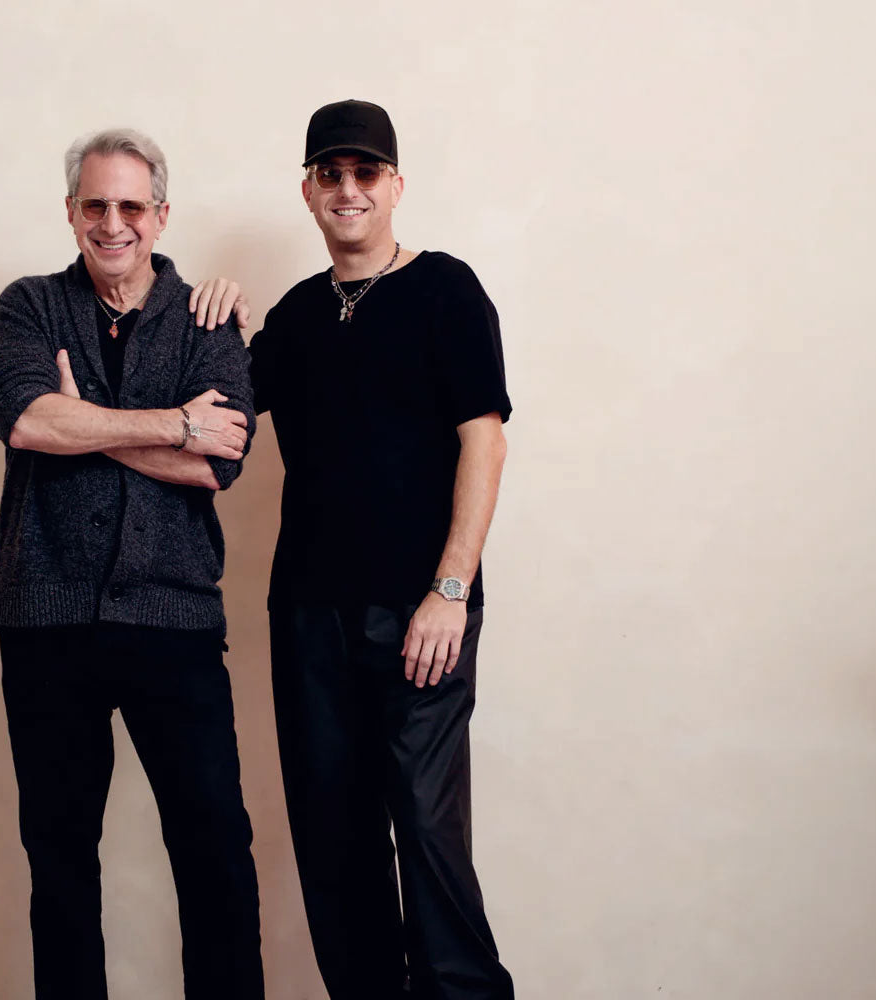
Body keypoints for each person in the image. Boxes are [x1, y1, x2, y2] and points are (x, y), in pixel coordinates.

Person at [218, 98, 516, 999]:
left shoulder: (446, 289)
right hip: (308, 612)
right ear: (308, 190)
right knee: (332, 836)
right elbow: (219, 418)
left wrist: (451, 589)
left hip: (420, 609)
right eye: (330, 174)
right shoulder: (298, 315)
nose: (348, 191)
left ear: (394, 186)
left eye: (366, 174)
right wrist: (198, 317)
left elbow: (485, 438)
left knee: (426, 831)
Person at [0, 127, 263, 1000]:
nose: (114, 224)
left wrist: (86, 419)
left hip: (172, 617)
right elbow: (27, 421)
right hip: (45, 623)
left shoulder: (208, 319)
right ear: (71, 213)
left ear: (161, 215)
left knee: (214, 847)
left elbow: (221, 461)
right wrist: (172, 421)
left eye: (131, 206)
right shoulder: (26, 306)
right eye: (95, 205)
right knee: (60, 860)